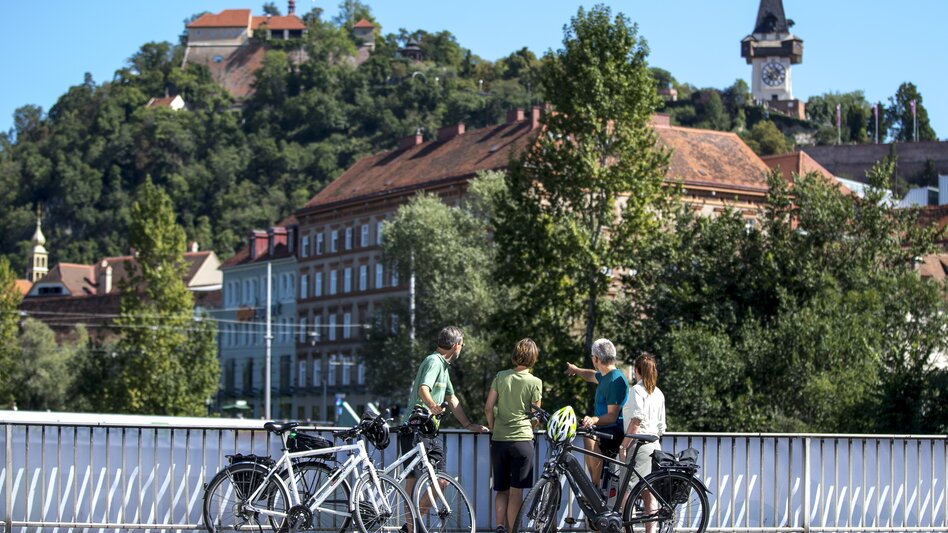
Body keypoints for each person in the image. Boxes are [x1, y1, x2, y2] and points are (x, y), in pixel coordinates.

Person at [401, 326, 488, 533]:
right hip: (415, 427)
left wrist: (468, 425)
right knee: (412, 481)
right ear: (456, 345)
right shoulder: (433, 361)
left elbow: (452, 398)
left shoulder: (444, 366)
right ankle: (412, 529)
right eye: (462, 345)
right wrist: (433, 406)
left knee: (441, 480)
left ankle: (411, 524)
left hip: (431, 430)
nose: (462, 348)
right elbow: (424, 389)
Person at [484, 338, 543, 533]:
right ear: (533, 357)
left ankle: (500, 526)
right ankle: (513, 531)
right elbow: (535, 416)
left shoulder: (501, 376)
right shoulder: (535, 382)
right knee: (516, 492)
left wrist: (493, 428)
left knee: (501, 489)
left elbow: (488, 408)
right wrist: (533, 424)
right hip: (522, 441)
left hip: (499, 440)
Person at [565, 338, 628, 486]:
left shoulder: (615, 381)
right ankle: (595, 486)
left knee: (590, 437)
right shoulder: (605, 376)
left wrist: (593, 420)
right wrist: (575, 370)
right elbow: (590, 375)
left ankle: (594, 487)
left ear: (597, 358)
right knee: (588, 434)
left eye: (592, 357)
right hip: (604, 427)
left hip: (615, 430)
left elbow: (612, 417)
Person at [618, 353, 666, 533]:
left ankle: (627, 529)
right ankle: (650, 531)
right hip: (655, 446)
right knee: (649, 492)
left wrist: (624, 445)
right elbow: (662, 427)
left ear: (637, 371)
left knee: (627, 490)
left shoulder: (636, 390)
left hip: (638, 446)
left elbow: (636, 421)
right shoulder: (659, 393)